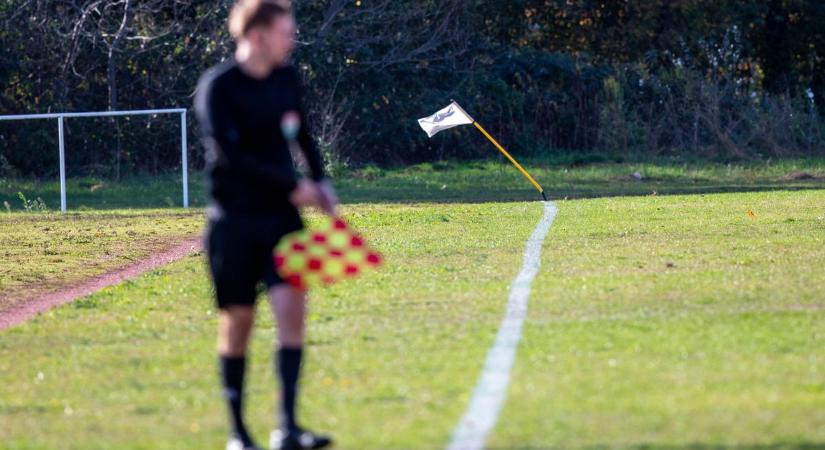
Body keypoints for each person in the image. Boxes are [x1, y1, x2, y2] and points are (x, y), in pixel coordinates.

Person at [194, 1, 337, 449]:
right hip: (233, 221)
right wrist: (293, 186)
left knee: (292, 312)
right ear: (257, 36)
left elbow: (303, 134)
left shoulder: (287, 79)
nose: (291, 40)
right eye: (285, 32)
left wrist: (321, 181)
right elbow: (229, 154)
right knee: (238, 323)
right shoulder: (218, 87)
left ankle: (288, 429)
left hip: (282, 222)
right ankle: (239, 434)